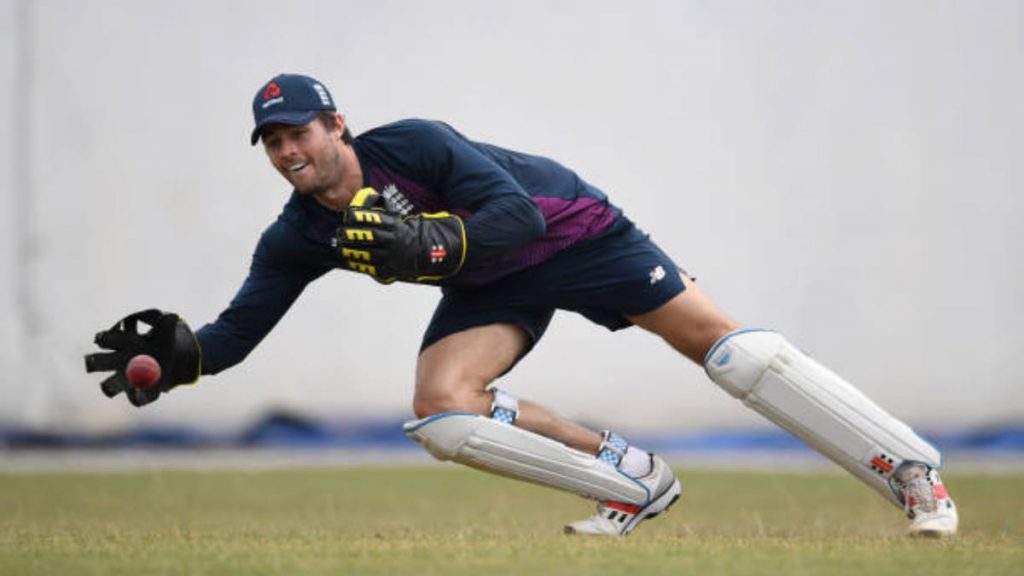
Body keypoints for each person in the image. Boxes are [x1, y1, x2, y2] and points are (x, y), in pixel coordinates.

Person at [85, 73, 958, 537]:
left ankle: (913, 475)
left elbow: (518, 213)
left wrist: (432, 244)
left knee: (733, 356)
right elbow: (237, 334)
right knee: (441, 414)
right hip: (494, 283)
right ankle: (633, 477)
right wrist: (180, 357)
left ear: (337, 125)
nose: (286, 151)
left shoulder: (417, 145)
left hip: (579, 236)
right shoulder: (296, 236)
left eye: (299, 133)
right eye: (271, 142)